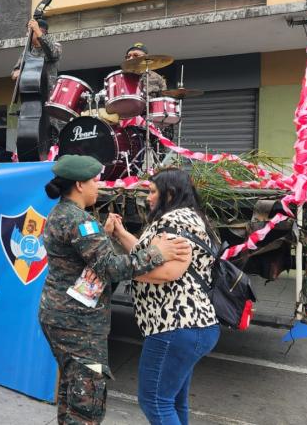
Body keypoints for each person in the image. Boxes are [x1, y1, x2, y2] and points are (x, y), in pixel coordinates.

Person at [39, 155, 192, 424]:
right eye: (94, 181)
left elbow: (83, 257)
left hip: (60, 315)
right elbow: (110, 268)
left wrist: (107, 237)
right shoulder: (78, 221)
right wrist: (158, 252)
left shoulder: (61, 214)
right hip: (78, 324)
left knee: (71, 390)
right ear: (78, 185)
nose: (98, 186)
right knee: (86, 402)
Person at [109, 168, 220, 424]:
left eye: (152, 191)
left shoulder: (173, 222)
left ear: (169, 194)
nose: (147, 197)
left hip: (174, 325)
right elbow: (150, 255)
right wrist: (121, 233)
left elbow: (167, 271)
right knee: (173, 401)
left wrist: (115, 268)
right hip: (196, 324)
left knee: (154, 401)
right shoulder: (192, 217)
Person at [11, 18, 62, 97]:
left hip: (49, 95)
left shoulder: (56, 46)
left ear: (39, 31)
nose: (27, 34)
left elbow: (53, 54)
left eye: (29, 31)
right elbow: (15, 71)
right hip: (30, 95)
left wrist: (37, 31)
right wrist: (16, 73)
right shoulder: (27, 51)